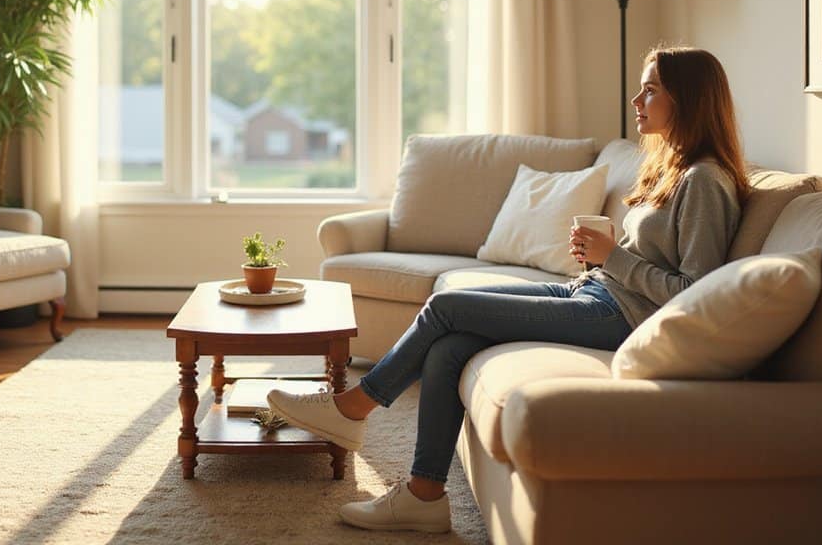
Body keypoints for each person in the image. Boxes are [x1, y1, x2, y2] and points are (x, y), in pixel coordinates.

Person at [267, 46, 750, 533]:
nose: (635, 99)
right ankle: (425, 495)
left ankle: (354, 407)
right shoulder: (672, 168)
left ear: (688, 98)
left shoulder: (705, 181)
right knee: (449, 347)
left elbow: (698, 292)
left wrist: (614, 257)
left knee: (446, 307)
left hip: (623, 318)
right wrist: (599, 261)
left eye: (651, 89)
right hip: (594, 293)